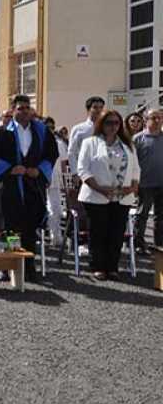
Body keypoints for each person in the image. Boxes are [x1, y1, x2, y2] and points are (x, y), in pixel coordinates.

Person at [0, 94, 58, 278]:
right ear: (13, 110)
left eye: (27, 108)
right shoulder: (2, 132)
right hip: (11, 186)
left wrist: (39, 170)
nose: (25, 111)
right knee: (9, 228)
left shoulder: (42, 131)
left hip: (33, 186)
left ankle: (28, 267)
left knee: (30, 228)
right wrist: (10, 169)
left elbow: (51, 154)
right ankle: (7, 267)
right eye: (20, 108)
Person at [77, 110, 140, 280]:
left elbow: (136, 169)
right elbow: (83, 169)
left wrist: (133, 186)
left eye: (116, 123)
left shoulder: (128, 145)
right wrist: (99, 188)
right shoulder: (90, 143)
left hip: (122, 196)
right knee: (98, 232)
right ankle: (98, 266)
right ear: (101, 124)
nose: (113, 126)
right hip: (96, 195)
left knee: (116, 232)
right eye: (109, 123)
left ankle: (112, 267)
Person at [133, 109, 163, 253]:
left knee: (160, 216)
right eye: (154, 118)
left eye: (160, 118)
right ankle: (138, 243)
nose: (158, 120)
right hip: (145, 184)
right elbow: (132, 163)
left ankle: (159, 243)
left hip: (161, 184)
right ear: (145, 120)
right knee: (142, 215)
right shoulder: (138, 139)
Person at [68, 96, 105, 180]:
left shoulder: (107, 128)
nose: (99, 110)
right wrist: (75, 173)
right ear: (88, 110)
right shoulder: (78, 129)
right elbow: (72, 152)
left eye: (101, 107)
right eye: (95, 107)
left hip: (104, 172)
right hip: (85, 172)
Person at [44, 117, 68, 247]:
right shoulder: (38, 142)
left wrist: (64, 182)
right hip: (40, 180)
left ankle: (56, 236)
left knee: (57, 209)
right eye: (48, 127)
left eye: (52, 127)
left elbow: (63, 165)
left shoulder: (59, 144)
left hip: (55, 180)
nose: (50, 130)